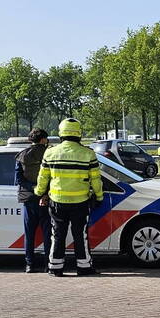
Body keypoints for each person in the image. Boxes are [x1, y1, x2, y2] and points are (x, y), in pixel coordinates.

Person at [35, 118, 103, 277]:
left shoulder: (50, 153)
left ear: (61, 133)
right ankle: (84, 267)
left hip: (57, 202)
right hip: (81, 202)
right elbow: (96, 180)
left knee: (57, 235)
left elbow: (42, 178)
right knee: (81, 235)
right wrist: (99, 197)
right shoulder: (88, 154)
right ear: (79, 133)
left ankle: (55, 268)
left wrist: (39, 193)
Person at [15, 128, 52, 273]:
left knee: (29, 234)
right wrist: (43, 192)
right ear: (43, 139)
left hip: (28, 199)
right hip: (46, 198)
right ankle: (48, 264)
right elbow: (54, 177)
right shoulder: (49, 154)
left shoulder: (22, 156)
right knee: (48, 234)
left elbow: (19, 179)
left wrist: (33, 188)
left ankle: (29, 264)